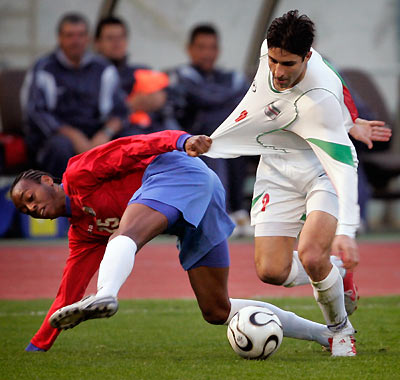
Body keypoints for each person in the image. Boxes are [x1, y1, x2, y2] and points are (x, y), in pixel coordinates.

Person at [12, 130, 340, 355]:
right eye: (23, 208)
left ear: (46, 181)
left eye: (29, 197)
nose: (30, 208)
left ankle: (107, 295)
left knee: (125, 234)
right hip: (196, 207)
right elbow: (68, 292)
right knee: (216, 309)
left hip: (181, 174)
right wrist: (37, 346)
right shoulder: (82, 232)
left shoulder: (78, 172)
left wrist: (181, 141)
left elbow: (134, 145)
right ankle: (327, 334)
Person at [202, 10, 390, 357]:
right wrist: (353, 119)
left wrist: (346, 231)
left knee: (311, 254)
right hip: (276, 165)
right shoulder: (270, 50)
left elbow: (344, 168)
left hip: (322, 170)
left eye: (288, 64)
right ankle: (335, 272)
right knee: (271, 271)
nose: (277, 71)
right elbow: (334, 75)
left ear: (307, 56)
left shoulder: (320, 101)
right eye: (273, 60)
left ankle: (340, 331)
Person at [21, 12, 127, 178]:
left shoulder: (103, 68)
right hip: (57, 137)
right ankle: (61, 199)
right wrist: (73, 136)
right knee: (60, 147)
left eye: (81, 35)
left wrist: (105, 133)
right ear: (59, 38)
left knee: (128, 141)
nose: (76, 41)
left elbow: (120, 111)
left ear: (88, 38)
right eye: (70, 35)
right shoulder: (44, 69)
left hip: (97, 134)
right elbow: (36, 112)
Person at [168, 24, 252, 234]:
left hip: (228, 138)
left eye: (212, 47)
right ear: (190, 49)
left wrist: (216, 100)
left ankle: (240, 211)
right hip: (191, 140)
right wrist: (224, 98)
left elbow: (247, 99)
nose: (207, 53)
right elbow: (203, 96)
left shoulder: (230, 76)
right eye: (201, 47)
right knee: (214, 138)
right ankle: (224, 212)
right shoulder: (181, 74)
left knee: (239, 137)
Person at [94, 16, 180, 135]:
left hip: (153, 132)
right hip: (118, 137)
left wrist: (162, 97)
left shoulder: (141, 71)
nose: (117, 43)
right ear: (97, 43)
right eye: (110, 38)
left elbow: (174, 94)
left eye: (121, 37)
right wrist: (129, 106)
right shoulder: (92, 76)